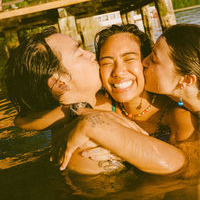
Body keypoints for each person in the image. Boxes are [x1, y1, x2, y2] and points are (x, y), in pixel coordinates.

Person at [7, 25, 188, 176]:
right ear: (59, 84)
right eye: (106, 61)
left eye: (129, 59)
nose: (91, 56)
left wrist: (86, 117)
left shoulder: (174, 106)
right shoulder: (81, 145)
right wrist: (93, 123)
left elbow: (23, 120)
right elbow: (23, 120)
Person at [52, 24, 199, 178]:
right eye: (107, 63)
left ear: (186, 80)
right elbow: (33, 122)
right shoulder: (102, 102)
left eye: (153, 59)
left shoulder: (178, 112)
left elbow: (189, 168)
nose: (118, 72)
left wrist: (102, 131)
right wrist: (82, 111)